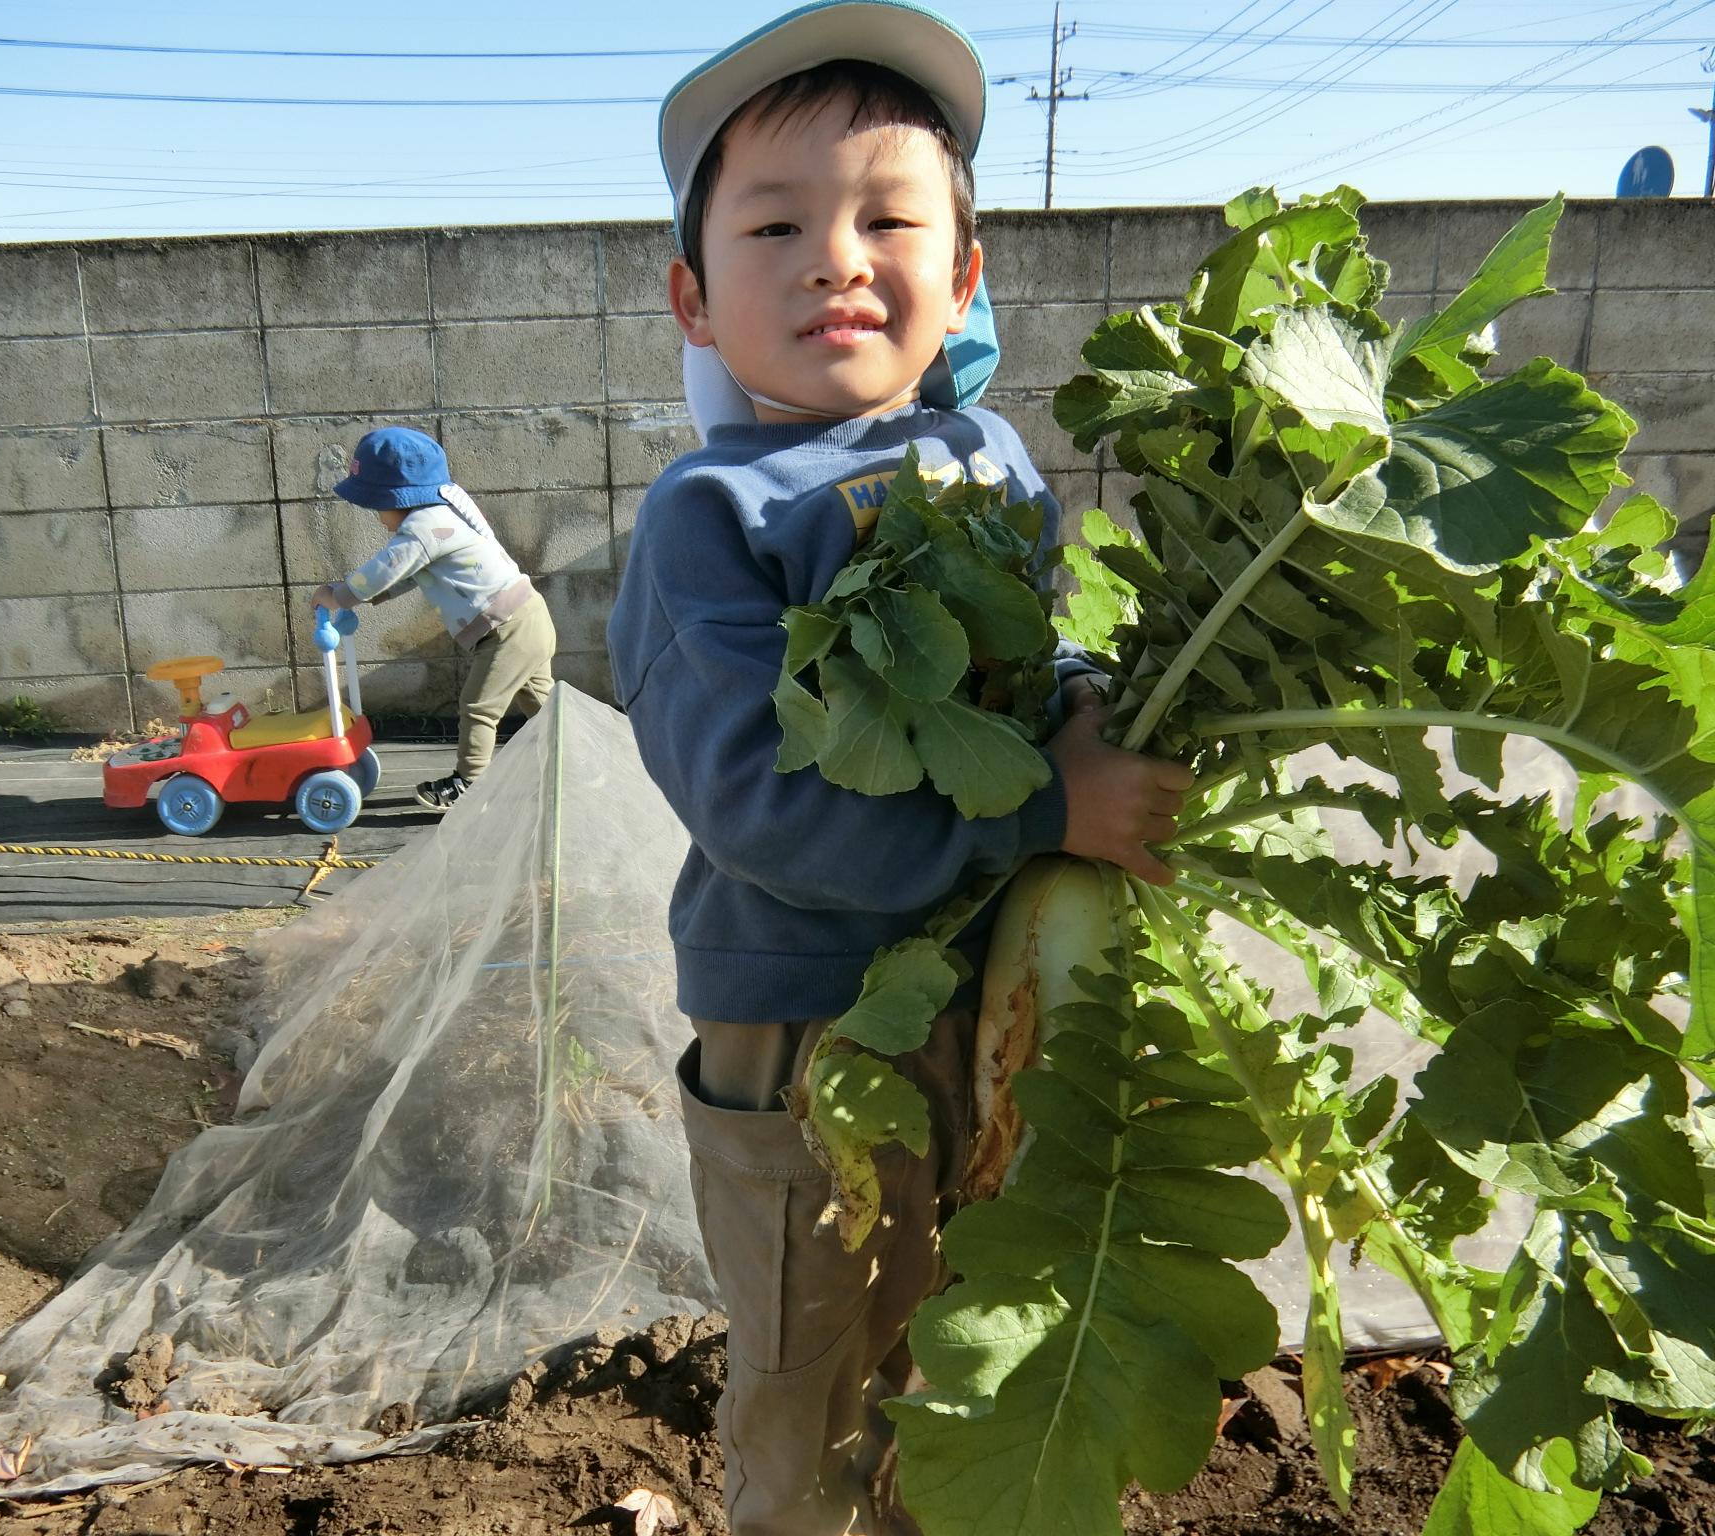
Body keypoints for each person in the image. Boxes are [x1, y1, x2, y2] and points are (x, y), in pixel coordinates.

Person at [604, 5, 1195, 1534]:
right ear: (693, 295)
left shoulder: (989, 458)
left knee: (971, 1338)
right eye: (777, 225)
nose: (835, 258)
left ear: (966, 273)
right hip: (807, 1021)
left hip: (988, 991)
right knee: (815, 1357)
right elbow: (762, 806)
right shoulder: (711, 518)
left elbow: (1046, 667)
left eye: (887, 217)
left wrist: (1096, 721)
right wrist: (1057, 810)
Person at [313, 426, 557, 811]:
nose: (380, 519)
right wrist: (362, 596)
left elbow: (385, 569)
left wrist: (338, 595)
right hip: (526, 617)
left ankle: (470, 784)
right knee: (546, 708)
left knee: (478, 707)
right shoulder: (440, 518)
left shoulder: (423, 527)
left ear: (398, 497)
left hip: (507, 628)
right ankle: (584, 768)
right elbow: (405, 575)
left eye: (379, 506)